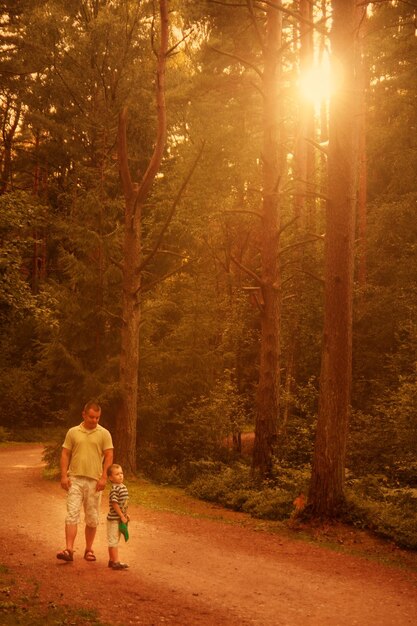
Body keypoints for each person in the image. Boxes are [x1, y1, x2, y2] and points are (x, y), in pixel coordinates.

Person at [56, 400, 113, 563]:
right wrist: (64, 476)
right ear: (84, 414)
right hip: (75, 479)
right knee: (72, 514)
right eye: (91, 417)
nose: (94, 420)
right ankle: (69, 550)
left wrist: (104, 478)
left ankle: (89, 549)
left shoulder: (104, 434)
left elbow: (109, 455)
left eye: (97, 418)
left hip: (95, 482)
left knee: (92, 517)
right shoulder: (73, 432)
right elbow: (65, 454)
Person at [106, 463, 130, 570]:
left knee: (115, 539)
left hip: (119, 519)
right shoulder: (115, 488)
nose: (120, 475)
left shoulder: (123, 487)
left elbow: (123, 503)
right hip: (114, 520)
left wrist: (125, 514)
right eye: (117, 474)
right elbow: (115, 503)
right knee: (113, 540)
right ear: (111, 478)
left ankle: (112, 560)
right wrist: (121, 515)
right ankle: (115, 562)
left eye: (121, 473)